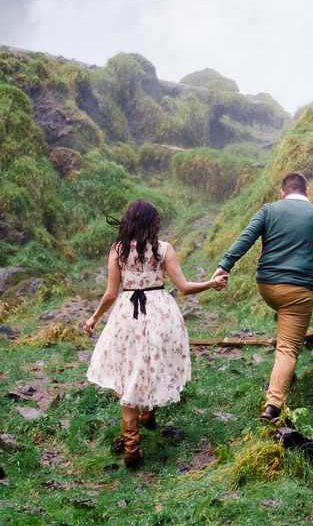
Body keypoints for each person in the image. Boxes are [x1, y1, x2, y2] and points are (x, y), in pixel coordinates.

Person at [213, 171, 313, 421]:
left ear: (282, 192)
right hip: (297, 291)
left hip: (265, 286)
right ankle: (272, 406)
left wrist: (225, 265)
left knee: (284, 326)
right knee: (288, 348)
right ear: (307, 192)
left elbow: (246, 237)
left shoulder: (268, 210)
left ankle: (283, 373)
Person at [84, 199, 227, 467]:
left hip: (128, 315)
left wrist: (94, 317)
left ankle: (132, 445)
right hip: (161, 314)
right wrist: (210, 283)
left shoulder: (117, 251)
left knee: (131, 369)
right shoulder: (164, 249)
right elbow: (183, 287)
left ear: (127, 221)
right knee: (151, 361)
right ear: (153, 223)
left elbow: (111, 294)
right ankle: (148, 413)